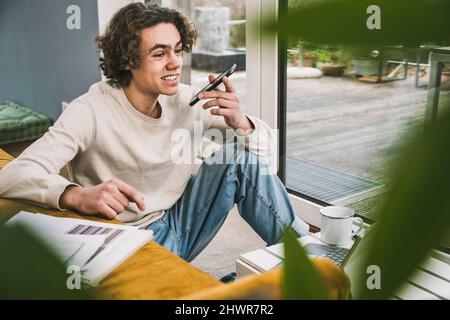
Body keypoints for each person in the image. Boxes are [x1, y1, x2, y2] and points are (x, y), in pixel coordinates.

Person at [0, 3, 309, 262]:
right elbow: (13, 175)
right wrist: (77, 195)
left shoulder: (187, 100)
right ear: (128, 60)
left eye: (177, 49)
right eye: (160, 54)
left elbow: (267, 162)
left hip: (180, 222)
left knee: (237, 157)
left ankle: (307, 259)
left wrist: (242, 122)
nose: (175, 62)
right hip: (127, 241)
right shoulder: (90, 111)